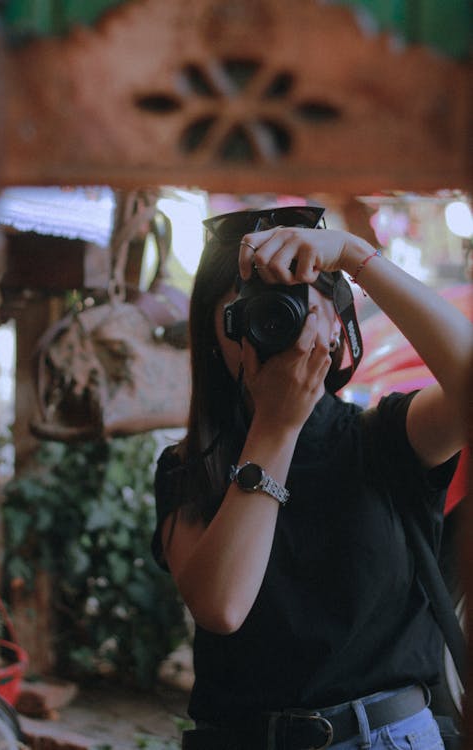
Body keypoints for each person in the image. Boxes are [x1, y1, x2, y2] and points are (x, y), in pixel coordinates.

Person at [151, 205, 471, 750]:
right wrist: (276, 427)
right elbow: (222, 606)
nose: (276, 325)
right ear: (215, 336)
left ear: (337, 320)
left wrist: (354, 256)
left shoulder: (389, 438)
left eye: (293, 302)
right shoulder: (190, 468)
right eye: (250, 313)